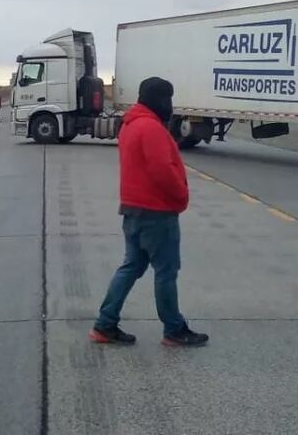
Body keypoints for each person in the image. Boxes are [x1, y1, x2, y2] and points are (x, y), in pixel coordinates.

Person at [89, 77, 209, 348]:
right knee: (166, 271)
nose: (170, 104)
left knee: (131, 266)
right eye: (168, 98)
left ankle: (105, 324)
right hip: (156, 211)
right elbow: (161, 170)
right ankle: (174, 330)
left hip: (132, 209)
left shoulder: (131, 125)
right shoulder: (151, 128)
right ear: (159, 99)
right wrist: (181, 195)